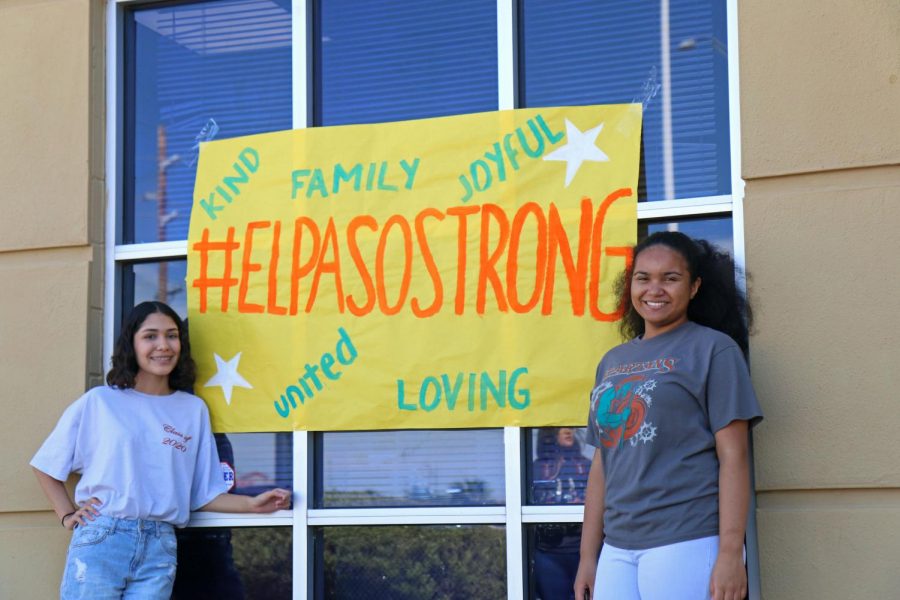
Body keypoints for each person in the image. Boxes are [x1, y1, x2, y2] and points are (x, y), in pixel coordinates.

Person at [31, 301, 291, 599]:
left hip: (160, 547)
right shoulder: (101, 402)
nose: (163, 345)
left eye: (172, 335)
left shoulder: (192, 410)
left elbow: (202, 493)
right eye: (150, 336)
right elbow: (46, 465)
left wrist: (253, 504)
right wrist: (67, 515)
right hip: (104, 538)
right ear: (132, 343)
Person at [574, 232, 763, 600]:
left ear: (694, 287)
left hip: (686, 540)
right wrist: (587, 556)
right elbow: (602, 465)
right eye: (643, 278)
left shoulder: (713, 350)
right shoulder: (612, 362)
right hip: (618, 547)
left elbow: (734, 456)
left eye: (670, 278)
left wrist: (729, 553)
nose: (654, 289)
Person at [532, 428, 592, 599]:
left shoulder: (587, 466)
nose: (568, 431)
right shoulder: (536, 469)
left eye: (571, 426)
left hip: (581, 550)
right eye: (560, 427)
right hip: (548, 552)